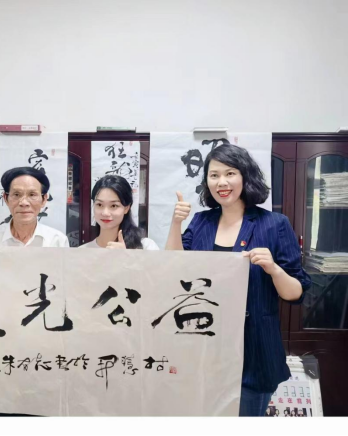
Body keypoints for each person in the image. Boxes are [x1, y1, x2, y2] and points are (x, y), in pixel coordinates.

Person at [165, 143, 311, 417]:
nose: (222, 182)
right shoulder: (201, 222)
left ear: (245, 176)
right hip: (203, 347)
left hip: (254, 351)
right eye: (214, 175)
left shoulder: (274, 224)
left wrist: (273, 269)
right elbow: (175, 269)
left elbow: (295, 293)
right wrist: (175, 223)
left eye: (230, 173)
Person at [0, 167, 69, 247]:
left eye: (32, 194)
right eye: (16, 194)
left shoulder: (57, 241)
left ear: (44, 199)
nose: (24, 203)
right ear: (6, 198)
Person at [81, 175, 159, 250]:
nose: (105, 213)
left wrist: (124, 256)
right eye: (99, 204)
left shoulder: (147, 246)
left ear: (126, 208)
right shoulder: (82, 251)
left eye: (113, 206)